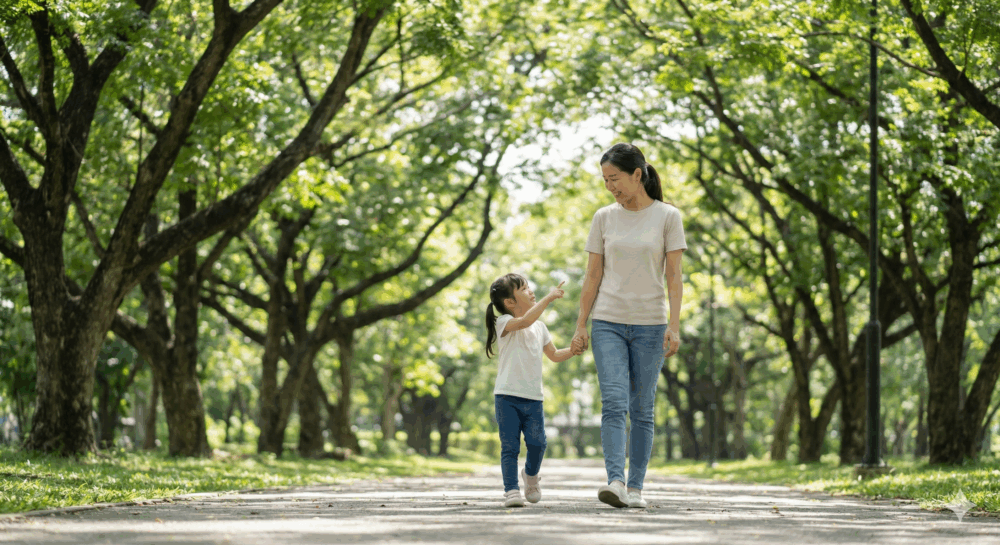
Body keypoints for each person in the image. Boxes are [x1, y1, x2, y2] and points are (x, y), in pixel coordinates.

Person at [571, 143, 687, 509]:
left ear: (638, 175)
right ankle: (615, 482)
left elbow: (674, 277)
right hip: (608, 321)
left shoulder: (668, 216)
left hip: (651, 325)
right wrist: (581, 324)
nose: (610, 187)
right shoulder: (604, 217)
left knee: (642, 409)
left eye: (615, 178)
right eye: (605, 180)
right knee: (614, 402)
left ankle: (636, 488)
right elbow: (592, 275)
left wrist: (674, 324)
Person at [486, 273, 583, 507]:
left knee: (538, 443)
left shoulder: (540, 327)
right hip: (507, 396)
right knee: (510, 447)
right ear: (510, 302)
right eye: (524, 289)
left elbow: (554, 355)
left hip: (533, 398)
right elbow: (525, 321)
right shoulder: (504, 323)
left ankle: (530, 476)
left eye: (529, 287)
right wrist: (548, 298)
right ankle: (511, 491)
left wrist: (573, 349)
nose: (530, 291)